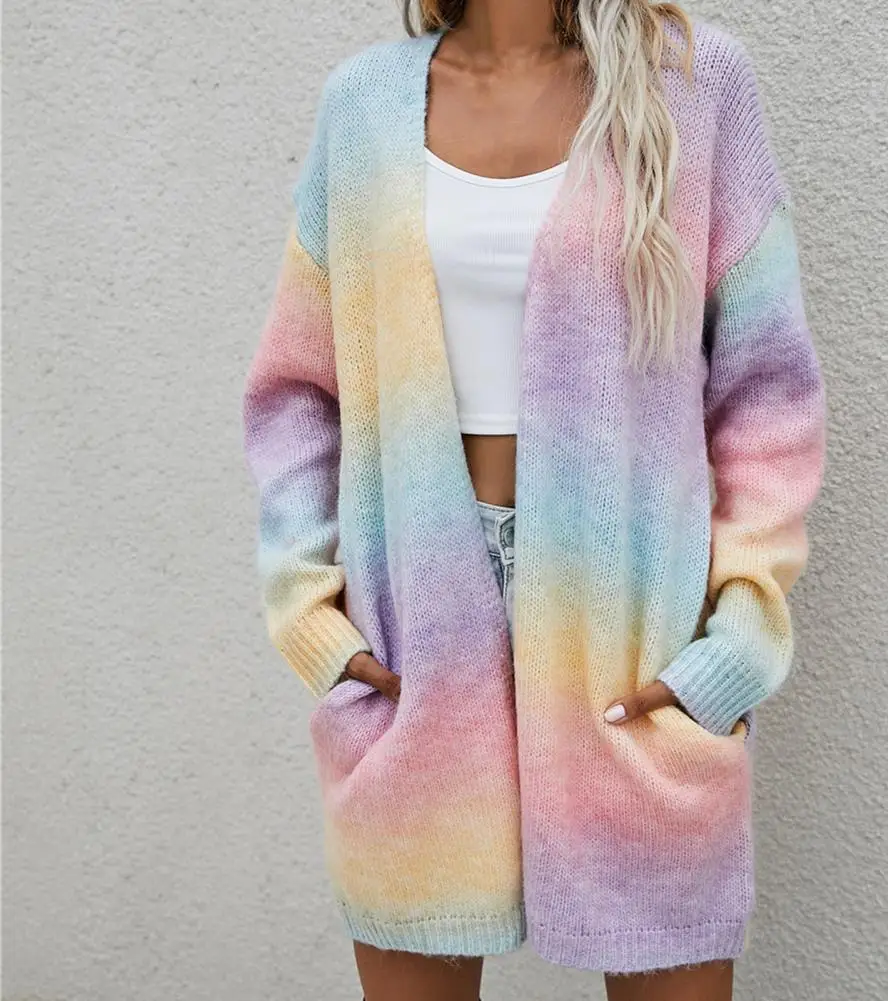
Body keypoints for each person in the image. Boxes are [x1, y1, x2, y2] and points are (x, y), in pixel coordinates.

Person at [242, 1, 826, 998]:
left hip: (632, 620)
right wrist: (313, 618)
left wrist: (734, 639)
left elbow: (765, 389)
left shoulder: (691, 86)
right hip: (414, 623)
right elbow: (297, 387)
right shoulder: (363, 108)